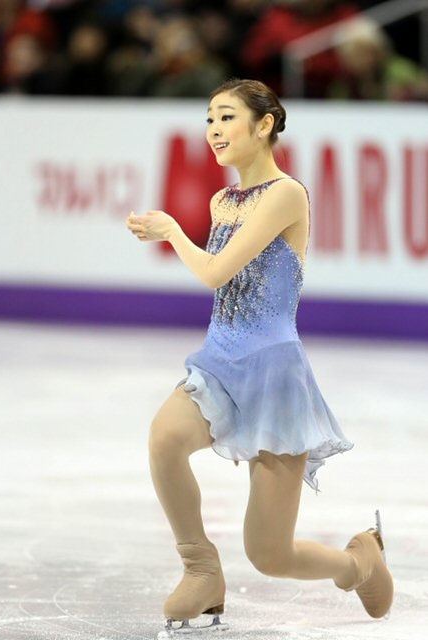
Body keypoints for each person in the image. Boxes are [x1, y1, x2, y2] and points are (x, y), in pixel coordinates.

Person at [126, 77, 394, 636]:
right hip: (221, 360)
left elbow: (215, 273)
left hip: (273, 375)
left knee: (269, 553)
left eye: (226, 117)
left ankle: (359, 563)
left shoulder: (287, 194)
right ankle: (200, 568)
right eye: (208, 119)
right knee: (164, 437)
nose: (214, 130)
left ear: (264, 124)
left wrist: (173, 230)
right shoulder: (223, 201)